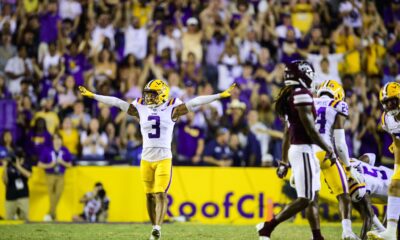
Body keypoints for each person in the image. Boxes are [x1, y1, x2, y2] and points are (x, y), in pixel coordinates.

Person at [79, 80, 235, 240]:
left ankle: (157, 229)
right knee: (149, 195)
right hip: (146, 158)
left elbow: (196, 102)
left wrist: (220, 95)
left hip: (164, 158)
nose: (148, 98)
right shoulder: (140, 107)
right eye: (147, 94)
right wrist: (93, 95)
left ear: (162, 94)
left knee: (160, 194)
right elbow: (117, 102)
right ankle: (153, 227)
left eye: (152, 94)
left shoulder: (173, 108)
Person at [257, 60, 335, 240]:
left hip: (299, 149)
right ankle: (268, 227)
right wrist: (327, 147)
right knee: (305, 199)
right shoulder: (301, 93)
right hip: (303, 150)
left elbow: (286, 132)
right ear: (303, 74)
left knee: (312, 197)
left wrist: (284, 161)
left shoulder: (290, 94)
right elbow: (309, 128)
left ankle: (317, 236)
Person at [310, 80, 361, 239]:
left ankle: (316, 235)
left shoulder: (309, 101)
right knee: (343, 194)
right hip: (326, 154)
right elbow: (339, 144)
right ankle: (346, 231)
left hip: (308, 154)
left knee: (312, 198)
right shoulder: (338, 104)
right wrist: (348, 167)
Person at [368, 82, 400, 240]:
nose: (390, 105)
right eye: (386, 102)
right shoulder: (387, 119)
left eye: (393, 100)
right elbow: (397, 141)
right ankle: (391, 231)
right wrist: (397, 168)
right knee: (395, 185)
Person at [349, 153, 390, 239]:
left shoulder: (356, 185)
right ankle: (383, 231)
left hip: (393, 189)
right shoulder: (351, 161)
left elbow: (368, 217)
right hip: (390, 173)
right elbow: (371, 156)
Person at [38, 133, 72, 221]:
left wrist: (62, 162)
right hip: (50, 175)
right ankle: (54, 216)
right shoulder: (47, 150)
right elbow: (40, 164)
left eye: (59, 139)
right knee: (51, 195)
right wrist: (50, 165)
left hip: (61, 175)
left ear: (61, 140)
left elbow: (69, 165)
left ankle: (50, 214)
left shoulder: (65, 150)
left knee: (58, 194)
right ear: (52, 141)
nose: (57, 141)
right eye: (55, 139)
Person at [1, 148, 31, 221]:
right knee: (8, 218)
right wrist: (4, 167)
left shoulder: (25, 165)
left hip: (23, 195)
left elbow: (28, 175)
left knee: (25, 218)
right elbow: (5, 181)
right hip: (11, 196)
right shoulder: (8, 167)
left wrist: (18, 166)